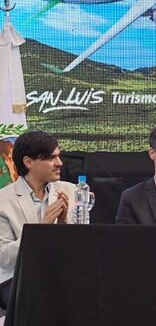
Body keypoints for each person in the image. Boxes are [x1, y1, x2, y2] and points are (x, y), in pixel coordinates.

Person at [0, 131, 74, 309]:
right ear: (28, 162)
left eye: (59, 156)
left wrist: (63, 225)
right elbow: (3, 258)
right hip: (17, 278)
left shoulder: (71, 191)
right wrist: (40, 229)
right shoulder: (3, 200)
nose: (59, 163)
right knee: (39, 296)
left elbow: (83, 246)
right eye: (51, 158)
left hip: (62, 274)